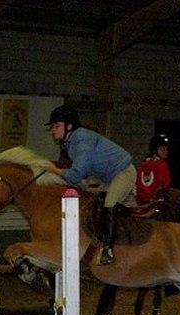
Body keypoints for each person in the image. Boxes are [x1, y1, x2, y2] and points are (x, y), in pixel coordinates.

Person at [44, 105, 135, 266]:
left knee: (109, 203)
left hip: (124, 173)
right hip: (110, 178)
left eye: (56, 126)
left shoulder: (81, 139)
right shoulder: (70, 143)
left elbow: (76, 174)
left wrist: (54, 170)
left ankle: (108, 250)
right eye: (53, 127)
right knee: (91, 203)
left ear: (69, 126)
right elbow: (81, 173)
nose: (53, 130)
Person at [135, 134, 172, 205]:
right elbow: (164, 186)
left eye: (167, 149)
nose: (166, 151)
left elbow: (137, 186)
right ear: (155, 150)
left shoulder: (143, 165)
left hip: (141, 204)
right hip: (156, 205)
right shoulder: (162, 164)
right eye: (163, 149)